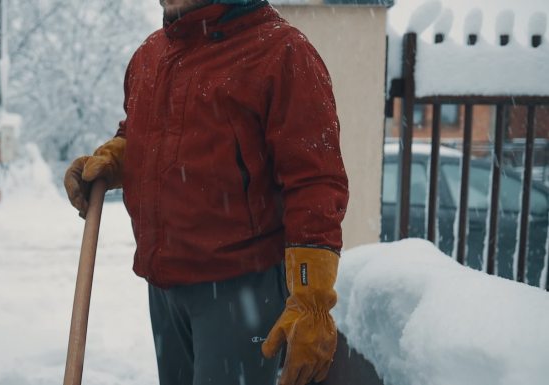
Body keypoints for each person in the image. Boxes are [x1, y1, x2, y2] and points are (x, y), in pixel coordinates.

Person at [63, 0, 349, 384]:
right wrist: (116, 158)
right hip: (165, 288)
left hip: (238, 290)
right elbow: (146, 132)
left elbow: (314, 181)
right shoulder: (152, 55)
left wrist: (311, 297)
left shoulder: (281, 53)